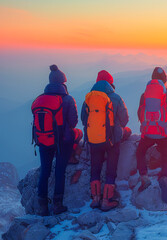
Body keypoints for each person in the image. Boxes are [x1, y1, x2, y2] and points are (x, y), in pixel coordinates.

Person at [31, 65, 83, 216]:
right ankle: (57, 205)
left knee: (45, 172)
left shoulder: (40, 99)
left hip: (43, 140)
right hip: (63, 141)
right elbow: (73, 123)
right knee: (60, 170)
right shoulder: (67, 99)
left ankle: (42, 207)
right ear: (63, 83)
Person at [81, 70, 131, 211]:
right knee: (111, 169)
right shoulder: (116, 97)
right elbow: (125, 119)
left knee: (95, 169)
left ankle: (95, 198)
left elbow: (83, 119)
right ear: (110, 83)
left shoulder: (89, 99)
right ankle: (107, 200)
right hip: (112, 140)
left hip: (94, 140)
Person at [136, 67, 167, 204]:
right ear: (165, 81)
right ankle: (164, 177)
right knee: (166, 154)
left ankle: (144, 177)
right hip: (164, 135)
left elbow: (140, 115)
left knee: (140, 152)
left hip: (148, 134)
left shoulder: (144, 95)